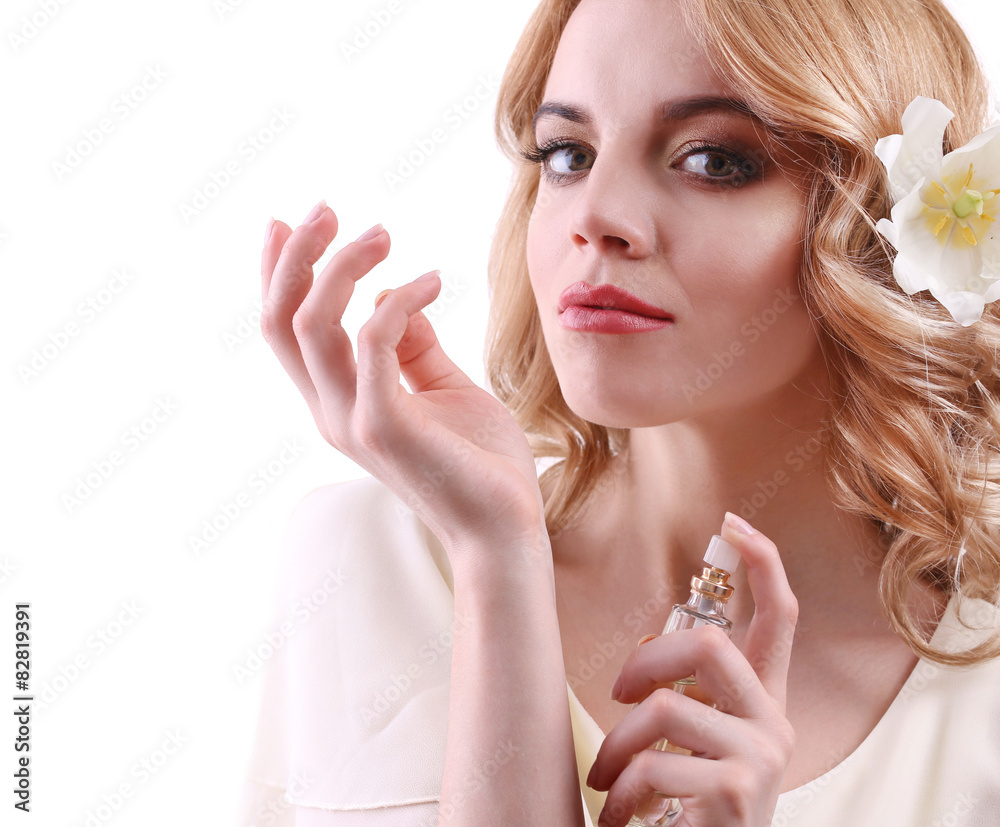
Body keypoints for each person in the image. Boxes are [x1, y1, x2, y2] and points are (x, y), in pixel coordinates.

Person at [237, 0, 1000, 824]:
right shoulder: (379, 561)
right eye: (569, 154)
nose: (595, 216)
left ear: (880, 234)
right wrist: (497, 555)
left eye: (712, 160)